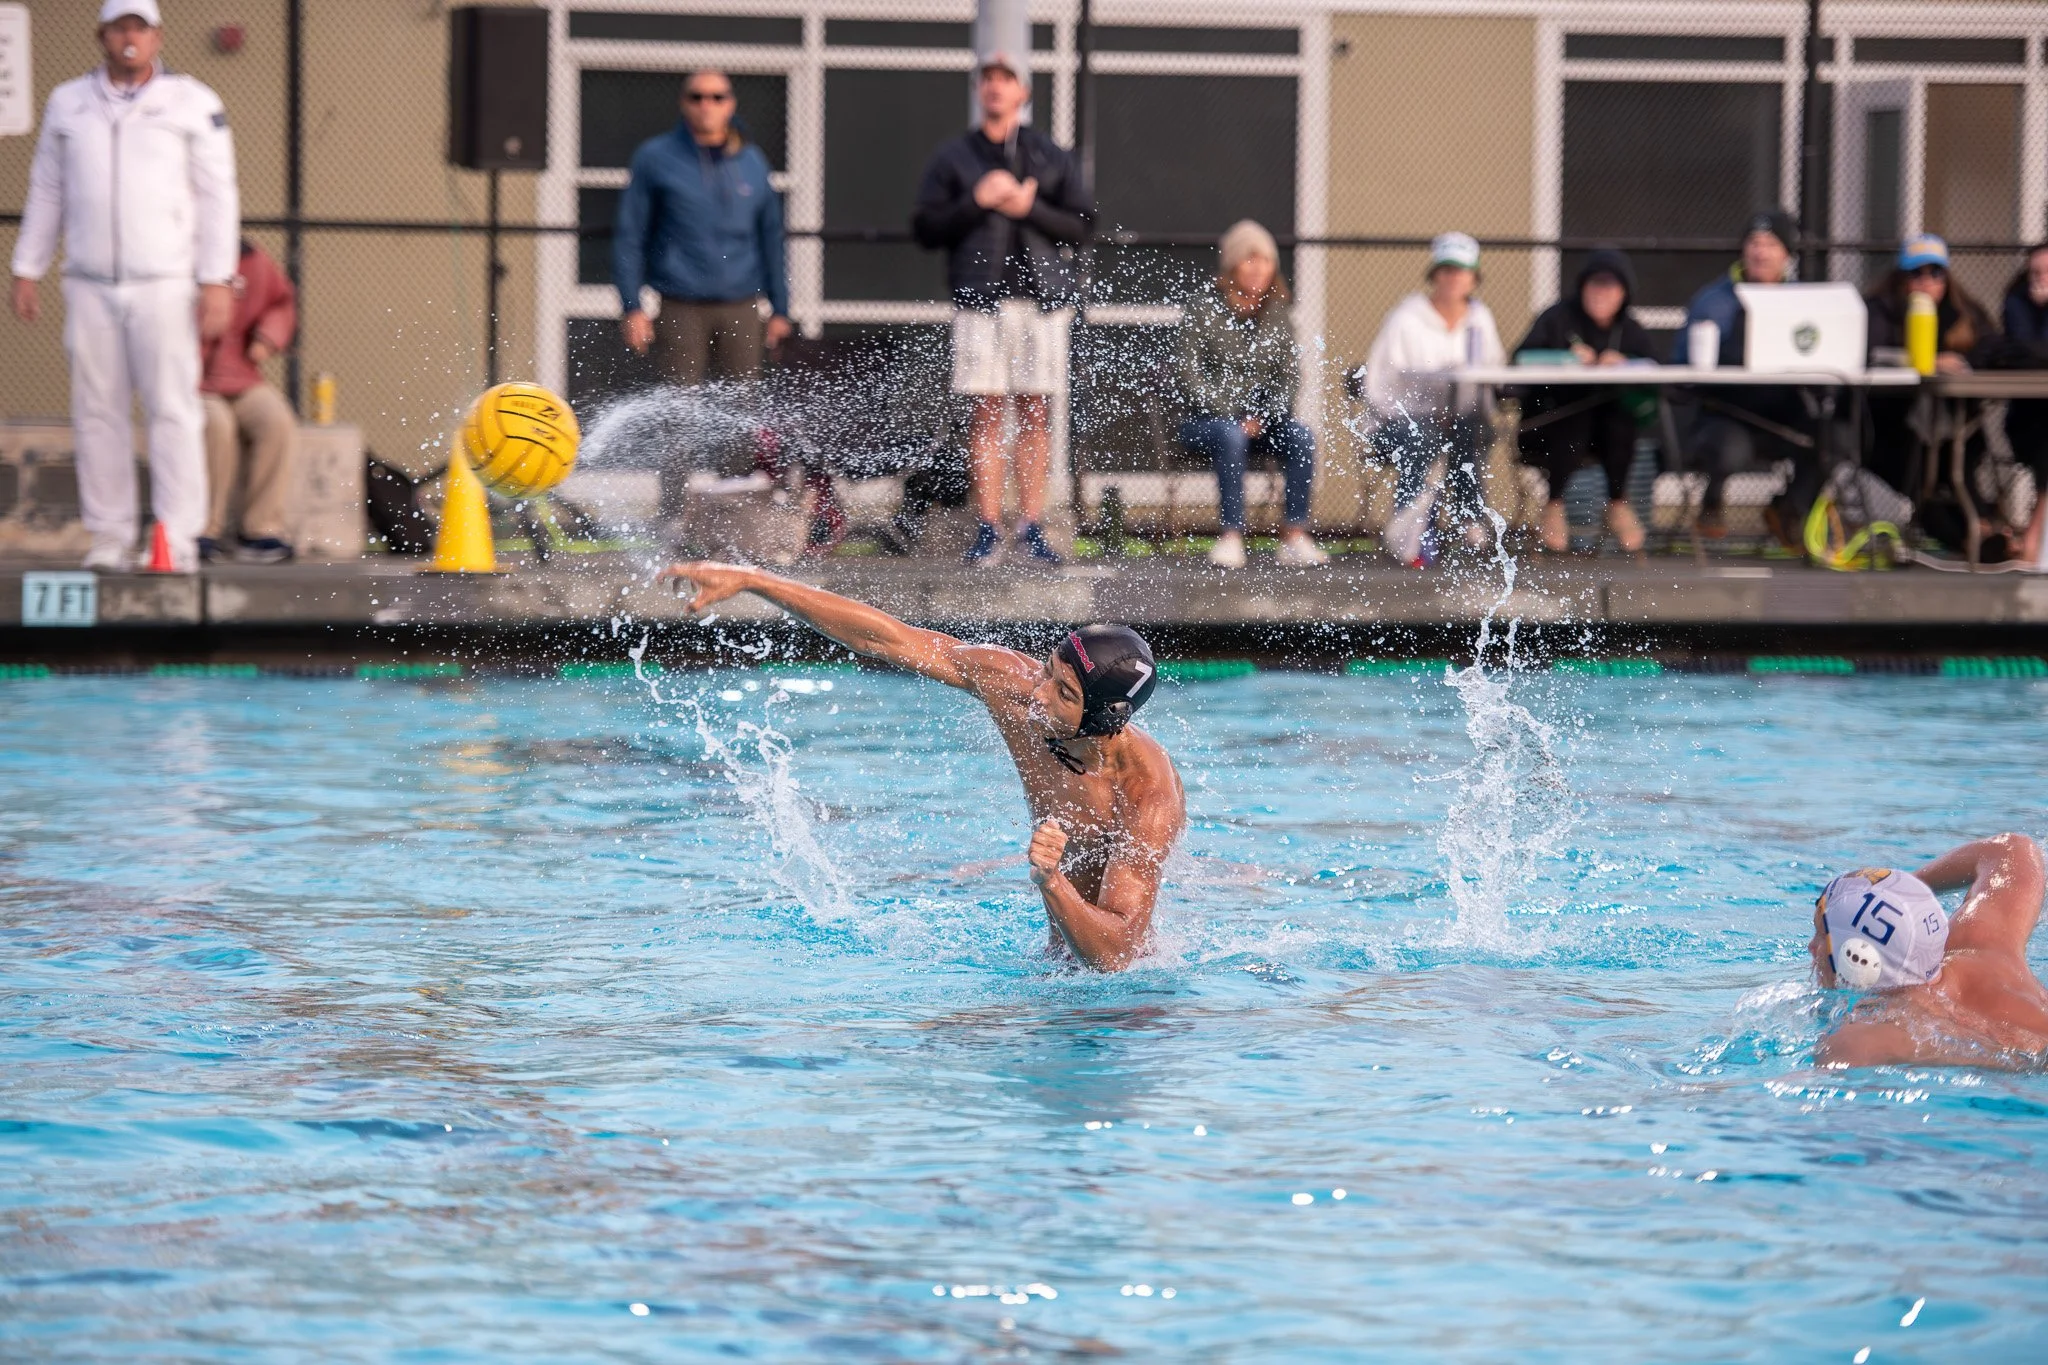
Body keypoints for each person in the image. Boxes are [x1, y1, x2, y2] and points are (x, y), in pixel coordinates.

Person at [662, 562, 1184, 971]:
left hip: (1122, 1008)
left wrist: (1052, 882)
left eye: (1063, 693)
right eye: (1046, 672)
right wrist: (754, 581)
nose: (1037, 696)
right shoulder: (1017, 688)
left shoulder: (1145, 795)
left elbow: (1117, 956)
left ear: (1103, 717)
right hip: (1053, 971)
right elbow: (884, 637)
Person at [10, 0, 239, 573]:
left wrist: (215, 279)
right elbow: (47, 190)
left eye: (139, 27)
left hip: (163, 283)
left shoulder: (193, 102)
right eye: (119, 28)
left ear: (158, 37)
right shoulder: (68, 102)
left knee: (172, 410)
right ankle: (109, 536)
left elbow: (219, 195)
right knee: (97, 412)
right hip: (89, 283)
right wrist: (27, 267)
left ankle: (176, 539)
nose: (129, 38)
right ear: (103, 36)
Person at [912, 49, 1091, 566]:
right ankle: (989, 525)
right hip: (979, 299)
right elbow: (924, 228)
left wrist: (1026, 207)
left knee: (1035, 410)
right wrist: (978, 201)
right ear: (978, 90)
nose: (994, 87)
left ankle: (1031, 525)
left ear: (1023, 93)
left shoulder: (1049, 154)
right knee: (986, 413)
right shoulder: (955, 157)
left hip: (1042, 302)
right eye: (986, 79)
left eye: (1005, 79)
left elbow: (1081, 226)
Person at [1808, 835, 2048, 1068]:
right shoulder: (1980, 943)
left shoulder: (1884, 1032)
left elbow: (1832, 1067)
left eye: (1822, 936)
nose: (1812, 948)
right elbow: (2010, 850)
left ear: (1860, 959)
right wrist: (1903, 894)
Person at [614, 70, 792, 381]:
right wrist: (632, 306)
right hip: (680, 304)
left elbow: (770, 237)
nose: (706, 105)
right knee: (678, 413)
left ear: (730, 104)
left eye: (717, 97)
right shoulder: (656, 158)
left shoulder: (752, 161)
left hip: (742, 304)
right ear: (684, 103)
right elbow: (631, 234)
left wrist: (781, 308)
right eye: (697, 96)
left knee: (741, 411)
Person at [1177, 220, 1326, 568]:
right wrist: (1232, 415)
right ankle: (1231, 535)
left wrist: (1264, 417)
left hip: (1262, 422)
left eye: (1266, 260)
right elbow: (1189, 375)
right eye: (1250, 259)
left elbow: (1289, 377)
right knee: (1230, 436)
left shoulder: (1278, 314)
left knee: (1302, 437)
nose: (1259, 269)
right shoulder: (1202, 308)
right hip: (1207, 422)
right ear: (1232, 264)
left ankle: (1294, 534)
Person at [1360, 232, 1506, 566]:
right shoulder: (1405, 320)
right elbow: (1380, 388)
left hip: (1461, 422)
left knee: (1467, 429)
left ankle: (1466, 519)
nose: (1454, 278)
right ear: (1435, 274)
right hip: (1398, 424)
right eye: (1447, 269)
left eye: (1462, 270)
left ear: (1474, 278)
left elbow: (1493, 374)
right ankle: (1411, 528)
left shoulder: (1481, 319)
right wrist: (1421, 413)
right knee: (1424, 435)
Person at [1670, 209, 1812, 541]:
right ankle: (1712, 498)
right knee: (1728, 447)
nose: (1760, 252)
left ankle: (1790, 509)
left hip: (1786, 412)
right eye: (1753, 243)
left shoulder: (1805, 301)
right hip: (1727, 413)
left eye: (1770, 244)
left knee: (1838, 436)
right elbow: (1681, 363)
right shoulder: (1712, 300)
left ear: (1786, 254)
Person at [1512, 248, 1656, 554]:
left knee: (1620, 418)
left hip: (1604, 438)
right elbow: (1520, 359)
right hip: (1547, 426)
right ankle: (1554, 505)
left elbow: (1654, 366)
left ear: (1623, 293)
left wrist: (1624, 362)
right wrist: (1565, 358)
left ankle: (1618, 502)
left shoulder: (1628, 328)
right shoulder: (1557, 318)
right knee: (1576, 414)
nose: (1602, 293)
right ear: (1582, 287)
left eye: (1610, 286)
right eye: (1595, 284)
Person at [1863, 235, 1997, 502]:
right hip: (1894, 421)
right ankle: (1967, 531)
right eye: (1916, 274)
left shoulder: (1965, 313)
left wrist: (1962, 363)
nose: (1926, 282)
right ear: (1902, 279)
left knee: (1966, 447)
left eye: (1935, 273)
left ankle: (1983, 525)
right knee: (1923, 479)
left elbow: (1992, 348)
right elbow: (1871, 351)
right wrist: (1925, 361)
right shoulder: (1881, 310)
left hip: (1954, 421)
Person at [199, 239, 297, 564]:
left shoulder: (254, 259)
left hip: (242, 376)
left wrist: (267, 339)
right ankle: (203, 529)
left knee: (276, 420)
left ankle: (260, 530)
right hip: (192, 382)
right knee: (216, 425)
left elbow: (281, 302)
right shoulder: (177, 258)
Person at [1995, 243, 2048, 562]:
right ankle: (2033, 540)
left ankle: (2033, 536)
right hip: (2027, 418)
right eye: (2036, 272)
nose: (2040, 280)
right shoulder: (2017, 302)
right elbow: (2023, 349)